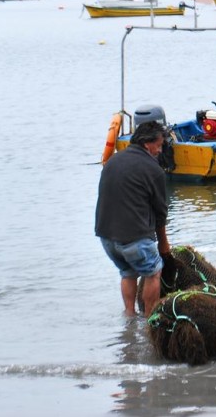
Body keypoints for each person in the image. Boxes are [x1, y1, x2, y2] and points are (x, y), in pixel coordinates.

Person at [95, 121, 171, 317]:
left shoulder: (113, 160)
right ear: (147, 144)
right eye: (159, 145)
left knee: (128, 272)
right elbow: (161, 213)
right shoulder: (154, 171)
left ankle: (129, 316)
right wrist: (164, 244)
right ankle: (150, 319)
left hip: (107, 237)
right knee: (152, 272)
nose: (160, 151)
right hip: (134, 238)